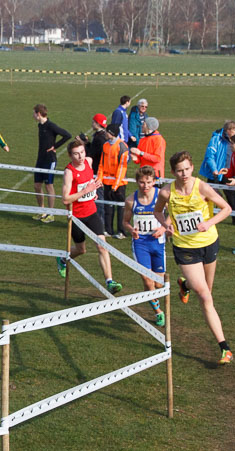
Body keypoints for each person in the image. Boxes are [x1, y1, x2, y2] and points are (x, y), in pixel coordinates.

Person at [152, 150, 233, 364]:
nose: (184, 174)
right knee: (204, 296)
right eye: (180, 170)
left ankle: (185, 284)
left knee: (207, 292)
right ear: (173, 172)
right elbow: (157, 211)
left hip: (208, 243)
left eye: (187, 169)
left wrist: (209, 223)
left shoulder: (202, 187)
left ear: (192, 168)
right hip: (185, 247)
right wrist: (165, 225)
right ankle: (225, 348)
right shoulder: (166, 192)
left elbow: (226, 208)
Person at [55, 138, 123, 294]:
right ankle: (62, 259)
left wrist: (93, 192)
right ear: (70, 155)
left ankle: (110, 282)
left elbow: (89, 182)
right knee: (81, 249)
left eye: (82, 152)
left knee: (102, 246)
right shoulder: (69, 172)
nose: (80, 157)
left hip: (91, 213)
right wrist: (86, 191)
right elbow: (65, 199)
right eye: (76, 154)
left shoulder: (89, 162)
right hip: (76, 217)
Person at [121, 166, 167, 326]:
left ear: (154, 182)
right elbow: (125, 221)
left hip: (158, 243)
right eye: (142, 182)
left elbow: (173, 215)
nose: (145, 186)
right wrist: (131, 230)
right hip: (140, 243)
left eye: (148, 182)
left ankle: (152, 297)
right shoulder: (131, 200)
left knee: (159, 283)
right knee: (147, 280)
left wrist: (163, 228)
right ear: (137, 182)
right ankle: (158, 311)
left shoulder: (161, 196)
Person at [32, 104, 71, 222]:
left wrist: (55, 146)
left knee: (49, 186)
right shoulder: (40, 125)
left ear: (39, 114)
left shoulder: (51, 125)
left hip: (49, 160)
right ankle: (42, 211)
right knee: (37, 185)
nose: (33, 115)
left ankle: (51, 213)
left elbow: (67, 135)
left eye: (34, 113)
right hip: (40, 159)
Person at [96, 118, 130, 239]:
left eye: (107, 131)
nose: (105, 133)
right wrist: (99, 179)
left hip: (119, 183)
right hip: (107, 181)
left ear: (112, 133)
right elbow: (101, 163)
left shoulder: (122, 146)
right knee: (108, 206)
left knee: (120, 207)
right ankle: (108, 230)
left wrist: (116, 185)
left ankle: (121, 231)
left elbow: (122, 168)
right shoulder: (105, 145)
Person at [199, 120, 235, 216]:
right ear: (228, 130)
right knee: (210, 195)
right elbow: (210, 156)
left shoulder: (234, 141)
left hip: (228, 172)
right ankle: (208, 215)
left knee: (231, 196)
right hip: (216, 173)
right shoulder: (216, 139)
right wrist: (214, 170)